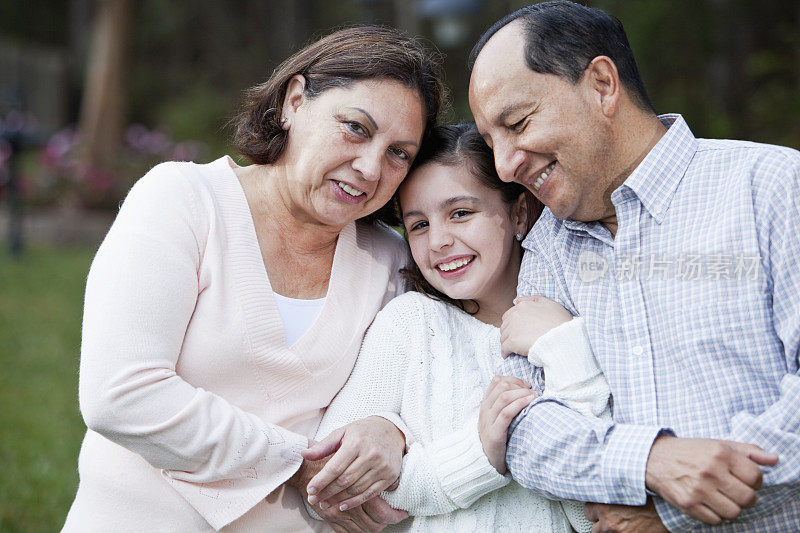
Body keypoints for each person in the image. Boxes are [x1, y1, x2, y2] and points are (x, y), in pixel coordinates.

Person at [63, 25, 445, 532]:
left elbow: (412, 391)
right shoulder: (182, 200)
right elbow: (121, 394)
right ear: (294, 101)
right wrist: (292, 460)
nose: (371, 167)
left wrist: (388, 429)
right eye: (356, 127)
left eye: (400, 152)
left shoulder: (390, 260)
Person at [468, 1, 800, 531]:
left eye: (518, 123)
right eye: (491, 143)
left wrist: (670, 514)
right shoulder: (547, 247)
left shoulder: (775, 186)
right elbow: (524, 433)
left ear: (602, 84)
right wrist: (650, 461)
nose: (505, 167)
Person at [305, 123, 611, 532]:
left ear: (519, 212)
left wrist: (565, 352)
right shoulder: (410, 324)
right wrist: (479, 453)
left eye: (461, 213)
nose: (438, 242)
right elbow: (333, 483)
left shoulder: (572, 323)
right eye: (419, 225)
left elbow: (593, 507)